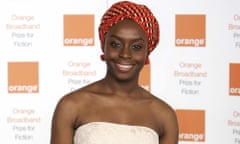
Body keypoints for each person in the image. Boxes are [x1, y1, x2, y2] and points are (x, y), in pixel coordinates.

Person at [50, 1, 179, 144]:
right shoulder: (71, 105)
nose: (125, 54)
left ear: (147, 52)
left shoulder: (164, 116)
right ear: (103, 45)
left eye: (136, 47)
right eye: (115, 44)